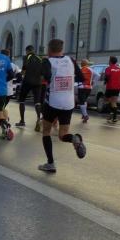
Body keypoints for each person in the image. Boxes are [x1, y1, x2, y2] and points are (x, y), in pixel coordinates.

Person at [37, 39, 87, 172]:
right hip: (68, 102)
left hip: (53, 101)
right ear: (61, 49)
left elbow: (46, 76)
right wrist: (68, 78)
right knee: (63, 134)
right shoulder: (71, 60)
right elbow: (81, 78)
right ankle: (75, 139)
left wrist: (47, 78)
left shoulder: (47, 61)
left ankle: (50, 163)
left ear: (49, 49)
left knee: (46, 131)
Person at [18, 45, 44, 129]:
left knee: (22, 100)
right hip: (38, 82)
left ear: (27, 51)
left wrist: (21, 74)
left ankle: (22, 121)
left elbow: (24, 70)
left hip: (27, 81)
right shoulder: (40, 58)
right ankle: (38, 119)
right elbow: (43, 72)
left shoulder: (27, 57)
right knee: (37, 102)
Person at [103, 56, 120, 123]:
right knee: (114, 102)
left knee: (106, 100)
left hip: (110, 87)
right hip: (117, 87)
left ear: (110, 61)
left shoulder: (108, 68)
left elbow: (107, 77)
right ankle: (114, 117)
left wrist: (105, 81)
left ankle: (111, 114)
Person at [78, 59, 95, 123]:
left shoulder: (80, 69)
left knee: (81, 101)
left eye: (81, 63)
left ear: (82, 64)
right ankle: (83, 114)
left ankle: (85, 115)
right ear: (87, 64)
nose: (81, 64)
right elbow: (98, 76)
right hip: (89, 88)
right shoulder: (91, 70)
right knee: (84, 100)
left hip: (81, 87)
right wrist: (93, 82)